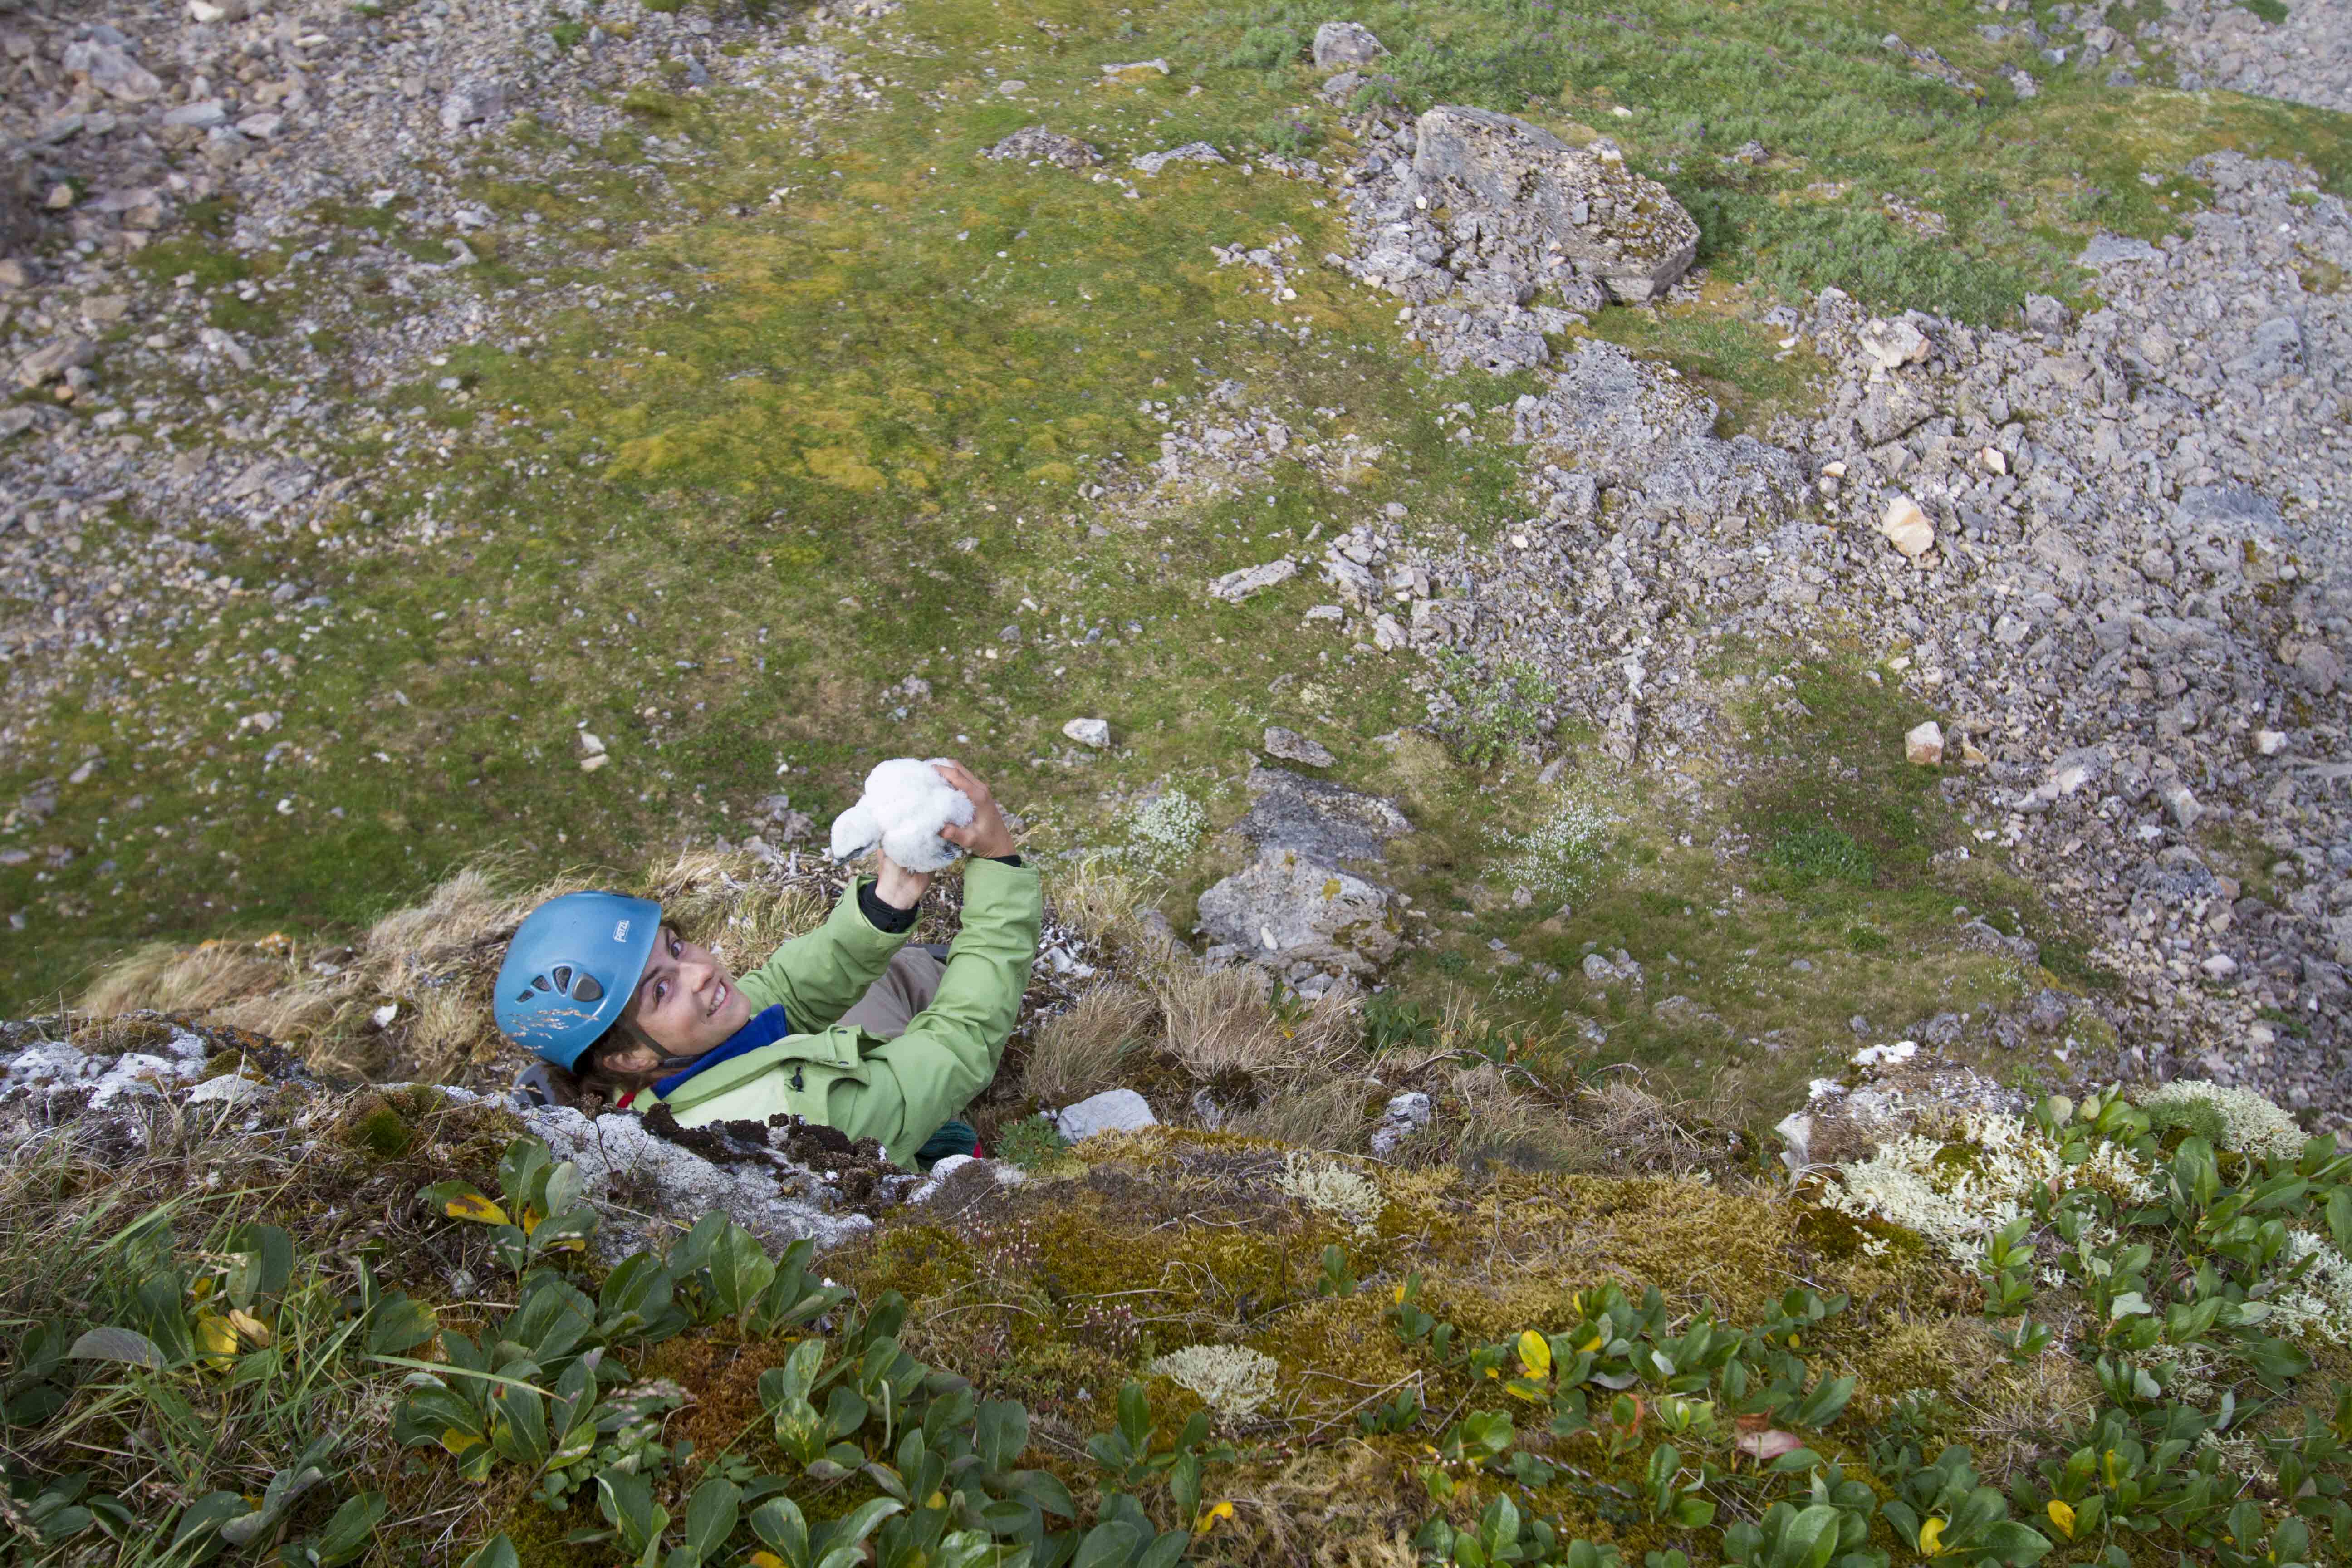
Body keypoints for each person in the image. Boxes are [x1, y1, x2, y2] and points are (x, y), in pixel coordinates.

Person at [493, 761, 1040, 1168]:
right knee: (928, 1005)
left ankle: (931, 968)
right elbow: (960, 1042)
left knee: (876, 977)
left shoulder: (667, 1071)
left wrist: (888, 902)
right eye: (661, 991)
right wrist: (999, 866)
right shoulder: (789, 1110)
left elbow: (783, 992)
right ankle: (968, 979)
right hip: (895, 1159)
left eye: (676, 949)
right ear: (627, 1056)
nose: (701, 972)